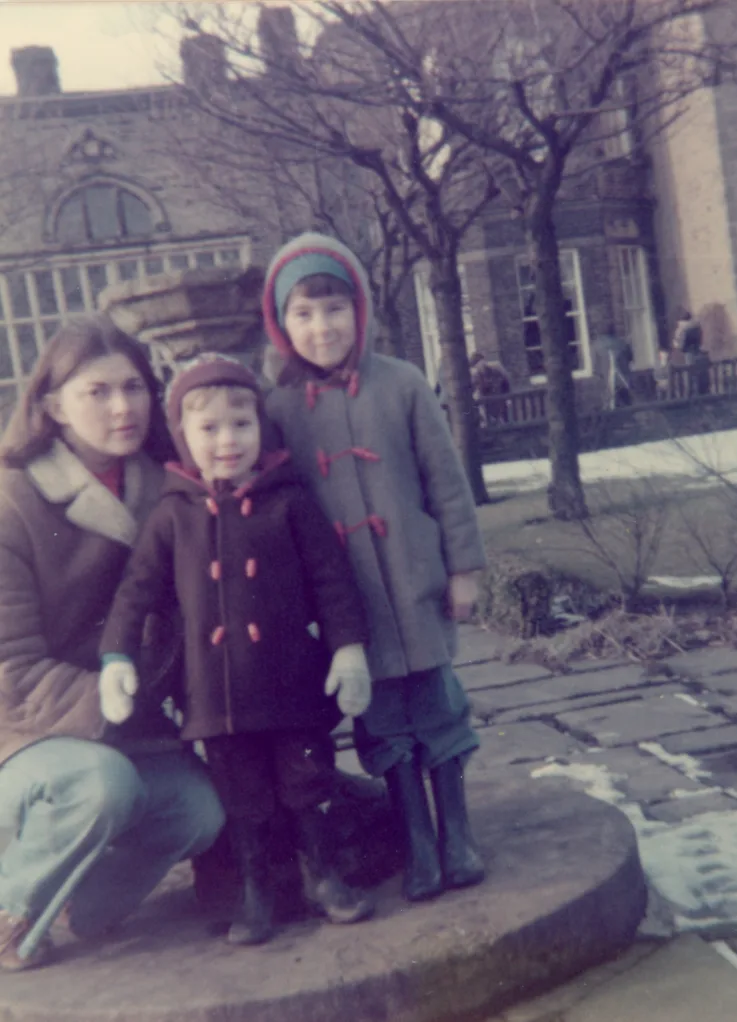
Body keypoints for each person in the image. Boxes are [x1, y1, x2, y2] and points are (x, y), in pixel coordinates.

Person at [99, 354, 375, 946]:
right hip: (217, 697)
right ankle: (257, 891)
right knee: (242, 797)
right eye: (209, 429)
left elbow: (332, 581)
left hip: (292, 685)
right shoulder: (172, 514)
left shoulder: (289, 500)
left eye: (241, 425)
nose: (228, 442)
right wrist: (117, 657)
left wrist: (348, 650)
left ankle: (323, 877)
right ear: (183, 437)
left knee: (308, 781)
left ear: (261, 428)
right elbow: (136, 591)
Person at [261, 232, 488, 904]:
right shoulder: (277, 411)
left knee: (438, 705)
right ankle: (416, 839)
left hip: (417, 581)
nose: (321, 327)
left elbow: (447, 482)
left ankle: (457, 833)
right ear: (282, 325)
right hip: (347, 603)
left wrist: (463, 569)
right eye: (302, 314)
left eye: (333, 308)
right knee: (381, 718)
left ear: (358, 308)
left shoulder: (404, 383)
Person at [0, 316, 225, 972]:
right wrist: (133, 705)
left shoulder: (170, 487)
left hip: (126, 721)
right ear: (52, 406)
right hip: (25, 733)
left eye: (134, 388)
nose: (122, 407)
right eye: (96, 392)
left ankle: (81, 907)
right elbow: (8, 667)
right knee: (102, 787)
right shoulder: (11, 500)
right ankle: (11, 903)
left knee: (197, 810)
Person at [469, 351, 512, 424]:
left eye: (481, 362)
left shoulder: (496, 368)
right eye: (477, 365)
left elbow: (506, 382)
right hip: (488, 403)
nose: (480, 366)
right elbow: (476, 391)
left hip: (499, 400)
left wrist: (508, 398)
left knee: (503, 417)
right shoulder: (476, 376)